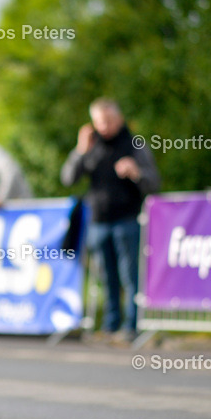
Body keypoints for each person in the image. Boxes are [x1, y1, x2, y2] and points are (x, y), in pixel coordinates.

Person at [61, 98, 160, 341]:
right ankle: (110, 325)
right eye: (99, 122)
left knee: (130, 277)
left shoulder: (134, 144)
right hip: (98, 222)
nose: (104, 127)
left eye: (108, 121)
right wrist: (80, 151)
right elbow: (68, 178)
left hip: (127, 220)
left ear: (119, 119)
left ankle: (131, 326)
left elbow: (154, 183)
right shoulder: (91, 146)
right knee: (107, 278)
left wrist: (136, 172)